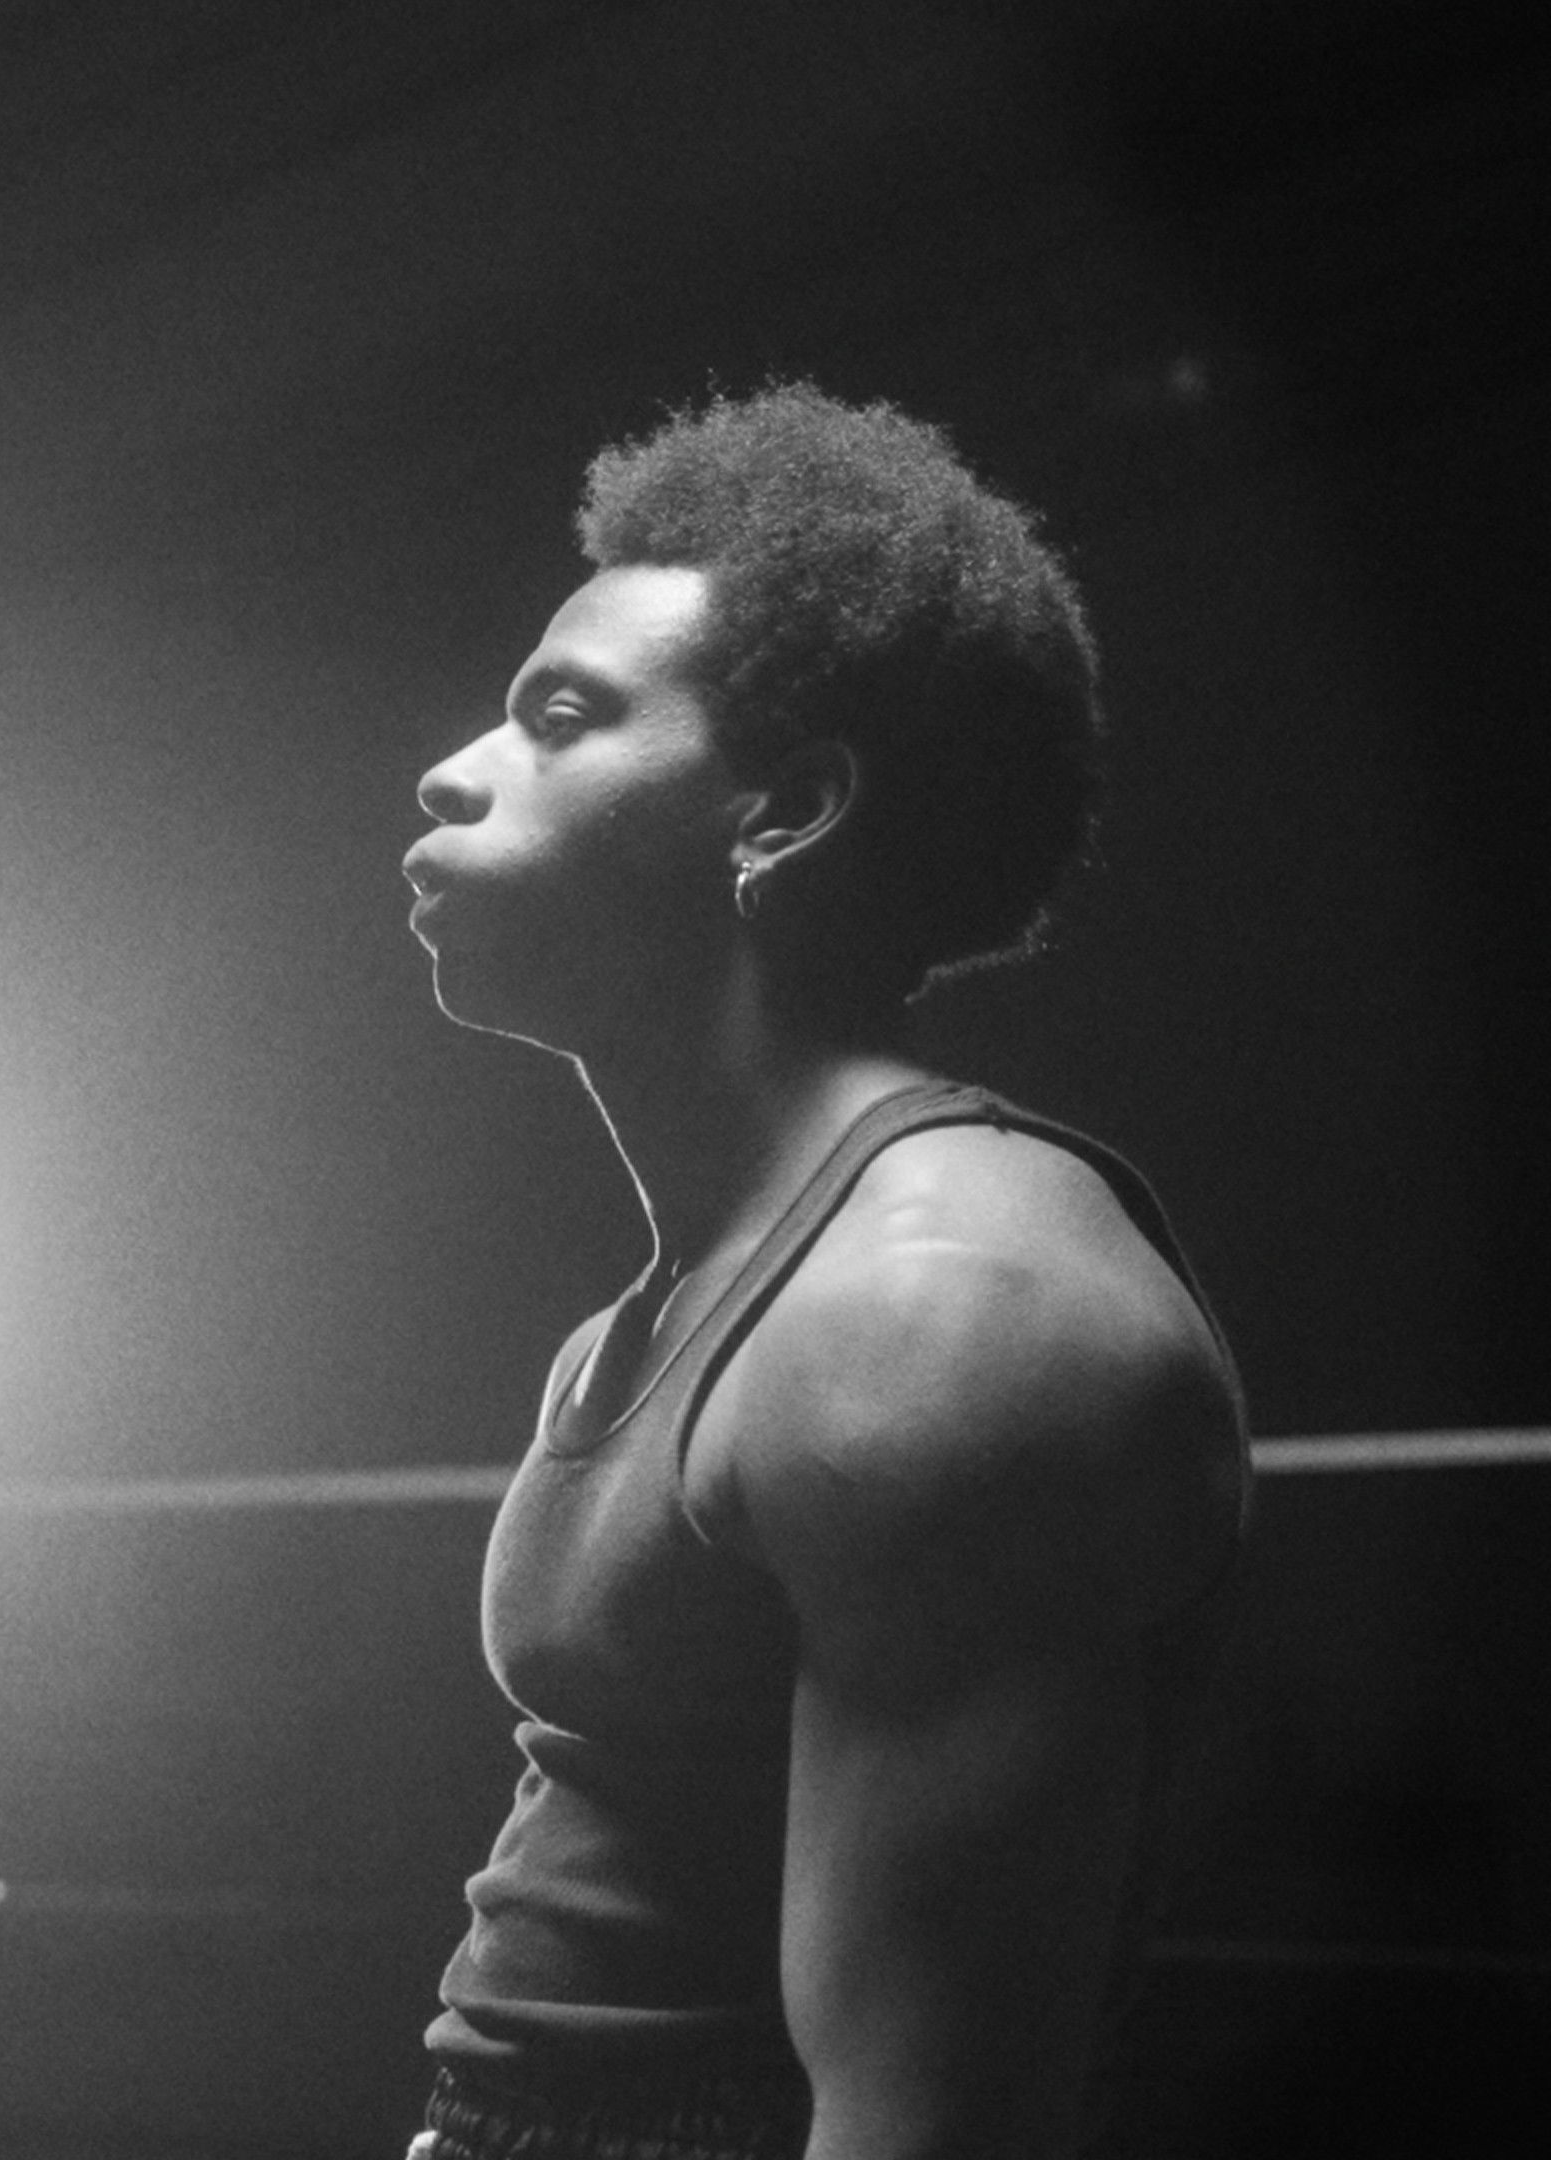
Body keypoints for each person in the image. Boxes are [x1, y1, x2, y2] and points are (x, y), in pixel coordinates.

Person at [394, 386, 1247, 2160]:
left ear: (780, 813)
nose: (453, 769)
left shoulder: (944, 1315)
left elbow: (934, 2122)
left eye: (561, 716)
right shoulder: (669, 1314)